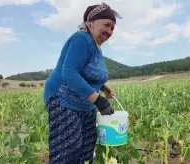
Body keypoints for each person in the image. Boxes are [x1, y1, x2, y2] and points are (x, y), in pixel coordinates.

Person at [43, 2, 122, 164]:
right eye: (107, 25)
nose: (109, 31)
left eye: (113, 28)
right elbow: (70, 72)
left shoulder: (95, 46)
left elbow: (87, 73)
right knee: (68, 150)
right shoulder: (81, 39)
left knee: (86, 147)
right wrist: (98, 99)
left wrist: (103, 87)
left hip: (84, 103)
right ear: (91, 22)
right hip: (64, 100)